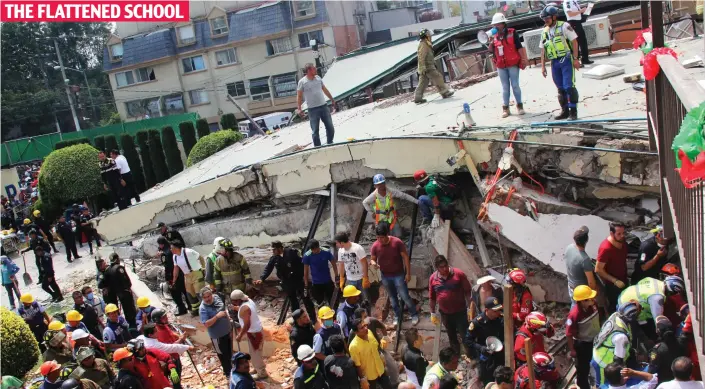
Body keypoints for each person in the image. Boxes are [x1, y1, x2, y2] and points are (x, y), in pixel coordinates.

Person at [370, 222, 418, 326]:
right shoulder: (375, 246)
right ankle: (397, 316)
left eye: (382, 237)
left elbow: (405, 258)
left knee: (405, 296)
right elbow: (372, 259)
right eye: (378, 237)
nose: (380, 240)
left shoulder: (397, 243)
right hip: (385, 276)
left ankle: (414, 314)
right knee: (392, 298)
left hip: (398, 275)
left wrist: (408, 273)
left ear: (387, 234)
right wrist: (374, 264)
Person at [539, 4, 581, 120]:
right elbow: (543, 50)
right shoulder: (545, 32)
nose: (545, 21)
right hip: (554, 62)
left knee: (569, 86)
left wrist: (576, 59)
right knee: (560, 87)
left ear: (554, 17)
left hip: (566, 59)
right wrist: (543, 66)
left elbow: (574, 42)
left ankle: (573, 112)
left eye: (547, 18)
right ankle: (565, 111)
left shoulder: (564, 26)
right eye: (544, 19)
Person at [256, 241, 314, 318]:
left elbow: (301, 264)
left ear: (280, 248)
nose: (273, 251)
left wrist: (301, 276)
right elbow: (268, 268)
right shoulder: (275, 258)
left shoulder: (291, 253)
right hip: (287, 283)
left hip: (297, 280)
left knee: (306, 299)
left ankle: (313, 318)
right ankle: (297, 320)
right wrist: (262, 278)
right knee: (293, 302)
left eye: (274, 249)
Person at [617, 276, 685, 340]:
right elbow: (658, 320)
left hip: (623, 296)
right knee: (640, 333)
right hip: (628, 309)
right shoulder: (657, 298)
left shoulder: (653, 281)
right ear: (671, 292)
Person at [429, 255, 473, 353]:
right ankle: (455, 355)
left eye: (446, 265)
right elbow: (432, 297)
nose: (445, 269)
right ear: (437, 268)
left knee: (465, 335)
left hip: (460, 312)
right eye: (441, 267)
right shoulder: (433, 278)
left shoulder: (458, 274)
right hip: (445, 314)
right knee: (451, 335)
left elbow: (468, 291)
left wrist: (470, 308)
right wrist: (432, 313)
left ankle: (471, 355)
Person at [592, 300, 641, 388]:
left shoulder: (615, 316)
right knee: (603, 385)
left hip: (599, 353)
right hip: (603, 362)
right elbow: (618, 361)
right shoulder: (621, 337)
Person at [488, 13, 528, 117]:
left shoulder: (512, 32)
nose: (496, 26)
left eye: (498, 24)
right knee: (505, 87)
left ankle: (520, 106)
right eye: (494, 25)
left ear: (503, 23)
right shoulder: (494, 37)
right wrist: (490, 42)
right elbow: (490, 51)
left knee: (515, 85)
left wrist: (523, 59)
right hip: (501, 65)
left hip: (512, 63)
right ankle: (505, 109)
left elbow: (519, 47)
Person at [566, 285, 601, 389]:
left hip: (596, 340)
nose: (593, 299)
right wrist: (572, 350)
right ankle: (583, 385)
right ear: (582, 301)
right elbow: (568, 334)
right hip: (583, 344)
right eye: (590, 298)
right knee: (583, 368)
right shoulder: (574, 315)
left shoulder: (594, 306)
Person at [465, 297, 505, 385]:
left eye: (499, 310)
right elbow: (468, 340)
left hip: (500, 355)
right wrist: (481, 348)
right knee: (487, 380)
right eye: (495, 311)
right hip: (486, 357)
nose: (498, 313)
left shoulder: (501, 319)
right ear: (487, 310)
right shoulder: (477, 322)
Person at [231, 289, 268, 379]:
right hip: (256, 331)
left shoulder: (244, 309)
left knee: (255, 354)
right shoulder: (248, 301)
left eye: (234, 301)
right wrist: (237, 309)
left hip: (254, 334)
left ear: (238, 300)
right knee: (255, 353)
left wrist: (240, 335)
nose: (233, 303)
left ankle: (262, 373)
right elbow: (248, 312)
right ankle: (257, 368)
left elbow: (247, 324)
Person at [297, 63, 336, 147]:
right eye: (314, 69)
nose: (316, 70)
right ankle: (318, 147)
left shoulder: (318, 78)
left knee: (330, 127)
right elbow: (299, 96)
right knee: (315, 131)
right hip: (312, 109)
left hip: (323, 106)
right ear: (309, 70)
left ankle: (330, 143)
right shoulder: (302, 82)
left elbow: (324, 89)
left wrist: (332, 99)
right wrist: (299, 108)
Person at [349, 319, 392, 389]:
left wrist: (382, 359)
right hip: (369, 376)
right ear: (356, 332)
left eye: (365, 325)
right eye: (362, 328)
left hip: (380, 369)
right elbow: (357, 365)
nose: (365, 328)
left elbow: (376, 348)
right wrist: (363, 380)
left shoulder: (369, 332)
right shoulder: (353, 346)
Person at [596, 222, 629, 313]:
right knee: (615, 307)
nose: (622, 236)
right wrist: (615, 281)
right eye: (619, 234)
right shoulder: (606, 248)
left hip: (623, 278)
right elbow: (598, 269)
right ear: (611, 234)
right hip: (613, 284)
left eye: (623, 233)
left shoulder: (622, 241)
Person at [414, 28, 454, 104]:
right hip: (427, 66)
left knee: (423, 82)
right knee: (438, 77)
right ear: (426, 36)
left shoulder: (426, 43)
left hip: (426, 67)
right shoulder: (424, 44)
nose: (430, 36)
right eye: (429, 35)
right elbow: (421, 57)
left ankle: (417, 98)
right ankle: (445, 92)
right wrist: (423, 67)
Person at [199, 287, 232, 376]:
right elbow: (206, 324)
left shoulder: (216, 298)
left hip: (227, 331)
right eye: (205, 297)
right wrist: (217, 316)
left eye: (209, 296)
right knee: (223, 355)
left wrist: (230, 325)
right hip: (217, 336)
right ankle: (228, 373)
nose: (208, 299)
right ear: (202, 298)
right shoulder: (203, 309)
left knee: (229, 352)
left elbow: (223, 310)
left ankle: (232, 369)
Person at [170, 239, 206, 316]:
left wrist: (203, 268)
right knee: (190, 294)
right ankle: (196, 310)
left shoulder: (189, 252)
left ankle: (206, 310)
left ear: (177, 247)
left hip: (196, 274)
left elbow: (201, 257)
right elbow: (176, 269)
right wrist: (174, 280)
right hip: (187, 276)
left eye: (172, 248)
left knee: (200, 293)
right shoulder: (175, 257)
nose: (171, 250)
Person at [565, 226, 599, 302]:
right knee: (579, 310)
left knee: (575, 306)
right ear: (586, 240)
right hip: (581, 293)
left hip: (571, 287)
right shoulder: (585, 259)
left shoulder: (569, 247)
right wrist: (592, 297)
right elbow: (591, 282)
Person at [335, 232, 370, 303]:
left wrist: (365, 277)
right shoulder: (341, 251)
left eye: (337, 243)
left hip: (361, 279)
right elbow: (341, 264)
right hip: (350, 280)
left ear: (341, 243)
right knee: (352, 301)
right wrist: (341, 278)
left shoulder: (357, 248)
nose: (336, 245)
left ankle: (367, 313)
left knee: (366, 300)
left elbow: (364, 263)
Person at [648, 316, 685, 384]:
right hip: (683, 379)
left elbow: (651, 370)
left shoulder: (656, 350)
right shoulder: (682, 342)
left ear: (658, 332)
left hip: (665, 382)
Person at [157, 236, 188, 316]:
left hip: (172, 275)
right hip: (181, 272)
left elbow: (167, 266)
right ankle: (190, 306)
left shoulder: (165, 253)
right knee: (185, 290)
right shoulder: (172, 249)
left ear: (161, 244)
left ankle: (181, 308)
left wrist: (168, 278)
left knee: (175, 293)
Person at [103, 254, 137, 326]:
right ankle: (132, 324)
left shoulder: (108, 269)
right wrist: (128, 287)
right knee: (129, 310)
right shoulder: (119, 268)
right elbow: (125, 280)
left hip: (116, 293)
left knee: (119, 311)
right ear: (117, 259)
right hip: (124, 292)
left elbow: (105, 282)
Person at [303, 239, 338, 306]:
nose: (313, 251)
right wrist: (306, 285)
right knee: (320, 304)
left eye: (314, 249)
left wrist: (336, 276)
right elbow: (305, 271)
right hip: (316, 283)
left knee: (333, 302)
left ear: (318, 247)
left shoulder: (326, 252)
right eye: (311, 249)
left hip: (327, 281)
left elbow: (334, 264)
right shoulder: (307, 256)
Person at [563, 0, 593, 66]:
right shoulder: (567, 2)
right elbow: (570, 14)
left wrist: (585, 11)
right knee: (576, 42)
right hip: (573, 23)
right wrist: (581, 11)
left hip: (578, 22)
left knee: (583, 41)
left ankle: (585, 59)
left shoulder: (574, 1)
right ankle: (577, 61)